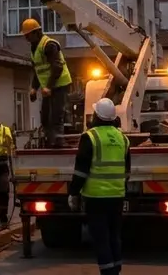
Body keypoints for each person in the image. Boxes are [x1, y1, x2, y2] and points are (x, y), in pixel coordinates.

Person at [67, 98, 130, 275]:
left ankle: (108, 272)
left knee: (101, 238)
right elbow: (127, 171)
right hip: (117, 196)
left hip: (95, 198)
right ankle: (116, 269)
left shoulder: (90, 137)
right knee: (114, 236)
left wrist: (73, 193)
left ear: (96, 116)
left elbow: (81, 170)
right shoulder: (123, 138)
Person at [21, 18, 72, 147]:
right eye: (25, 36)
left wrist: (48, 87)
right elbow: (39, 71)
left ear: (36, 32)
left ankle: (59, 141)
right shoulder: (34, 48)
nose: (26, 38)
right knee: (45, 116)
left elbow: (57, 67)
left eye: (28, 35)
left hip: (60, 84)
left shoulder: (49, 45)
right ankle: (51, 141)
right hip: (48, 87)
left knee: (56, 113)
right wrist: (34, 88)